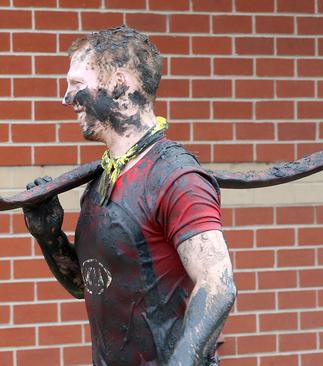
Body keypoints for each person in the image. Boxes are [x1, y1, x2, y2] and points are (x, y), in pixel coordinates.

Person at [22, 26, 236, 366]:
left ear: (120, 83)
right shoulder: (102, 179)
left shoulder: (176, 177)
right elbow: (87, 284)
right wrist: (49, 237)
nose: (65, 98)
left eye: (77, 85)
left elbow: (218, 285)